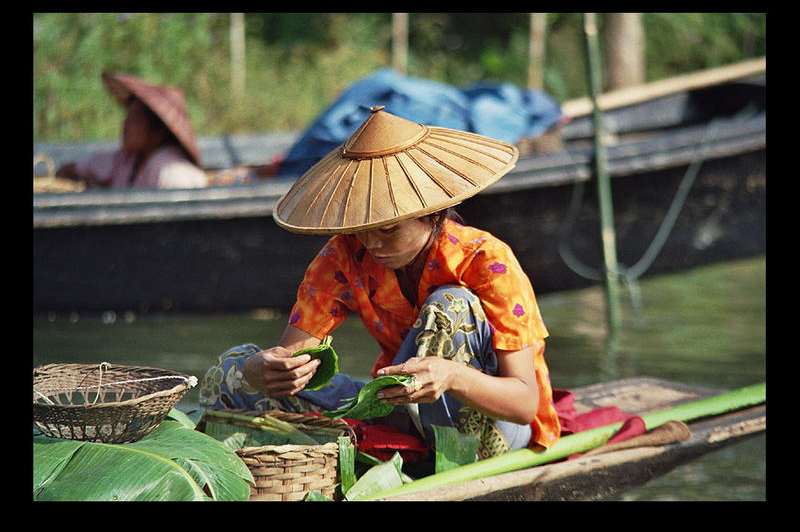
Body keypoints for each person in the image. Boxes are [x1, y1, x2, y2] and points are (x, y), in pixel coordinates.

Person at [200, 106, 560, 459]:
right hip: (401, 406)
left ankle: (440, 453)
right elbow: (293, 356)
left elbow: (524, 404)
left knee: (451, 304)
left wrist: (452, 377)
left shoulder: (486, 260)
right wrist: (268, 371)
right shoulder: (344, 254)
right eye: (362, 229)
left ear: (432, 213)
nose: (372, 243)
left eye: (388, 229)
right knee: (237, 371)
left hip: (493, 427)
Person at [56, 72, 208, 189]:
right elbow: (73, 169)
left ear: (157, 132)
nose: (125, 125)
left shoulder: (172, 172)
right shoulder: (127, 160)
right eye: (127, 119)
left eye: (133, 120)